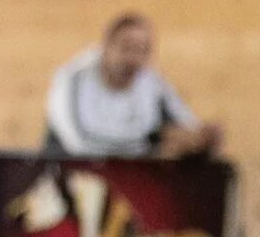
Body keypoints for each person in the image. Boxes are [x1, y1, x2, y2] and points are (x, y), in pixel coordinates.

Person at [44, 12, 221, 159]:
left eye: (143, 51)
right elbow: (81, 144)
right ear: (105, 47)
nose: (133, 59)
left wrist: (199, 139)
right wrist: (156, 142)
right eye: (126, 48)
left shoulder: (152, 82)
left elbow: (187, 128)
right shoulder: (71, 79)